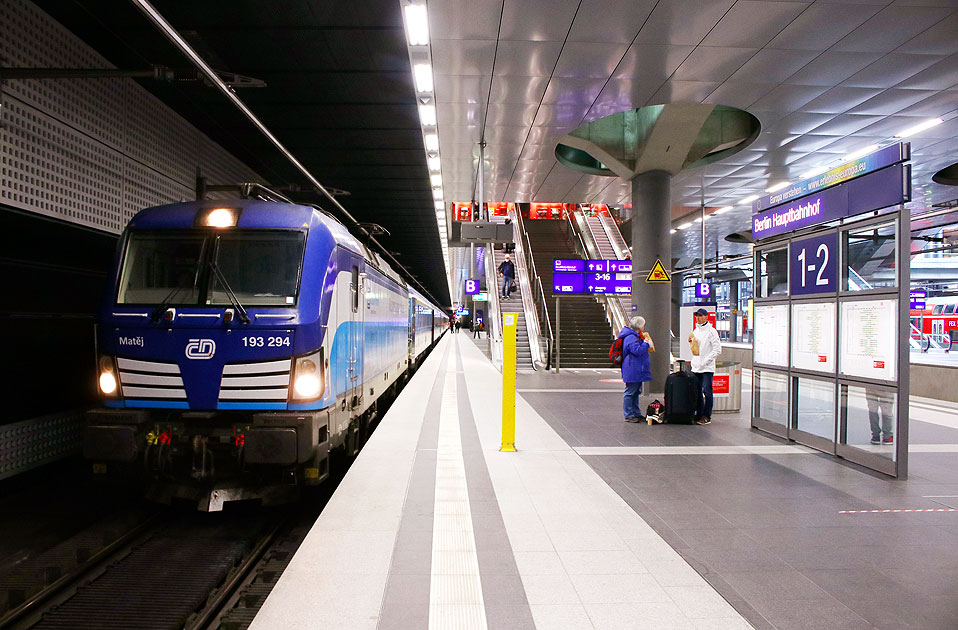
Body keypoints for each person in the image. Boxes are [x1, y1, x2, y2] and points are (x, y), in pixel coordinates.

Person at [688, 308, 721, 425]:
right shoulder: (695, 331)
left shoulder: (711, 332)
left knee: (707, 391)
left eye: (701, 316)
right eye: (697, 316)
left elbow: (717, 349)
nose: (698, 318)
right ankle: (699, 413)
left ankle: (707, 416)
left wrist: (706, 361)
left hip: (707, 368)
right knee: (697, 392)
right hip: (696, 366)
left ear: (706, 317)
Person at [618, 315, 653, 423]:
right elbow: (636, 350)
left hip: (635, 368)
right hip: (632, 368)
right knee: (630, 392)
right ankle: (629, 415)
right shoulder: (631, 337)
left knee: (635, 391)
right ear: (640, 326)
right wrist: (646, 344)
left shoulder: (633, 336)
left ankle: (635, 413)